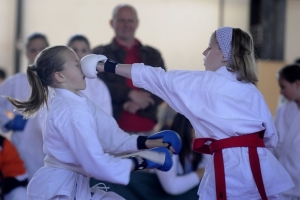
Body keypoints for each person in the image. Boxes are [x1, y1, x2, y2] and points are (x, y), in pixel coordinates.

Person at [82, 26, 294, 199]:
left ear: (223, 55)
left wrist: (105, 66)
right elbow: (270, 138)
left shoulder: (204, 84)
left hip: (232, 173)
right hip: (262, 167)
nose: (204, 53)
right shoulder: (250, 90)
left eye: (209, 48)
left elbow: (155, 77)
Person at [6, 45, 179, 199]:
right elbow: (95, 163)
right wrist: (143, 161)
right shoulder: (71, 111)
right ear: (59, 76)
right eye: (76, 63)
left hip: (72, 185)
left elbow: (110, 136)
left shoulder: (78, 101)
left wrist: (149, 142)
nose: (82, 66)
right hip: (58, 190)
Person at [93, 4, 165, 135]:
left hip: (149, 130)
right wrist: (130, 94)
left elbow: (163, 85)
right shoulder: (99, 54)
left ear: (137, 23)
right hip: (112, 131)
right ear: (112, 23)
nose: (126, 24)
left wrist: (142, 103)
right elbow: (95, 85)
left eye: (130, 20)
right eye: (121, 20)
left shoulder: (153, 55)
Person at [0, 32, 49, 180]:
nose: (38, 54)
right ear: (27, 53)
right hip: (23, 147)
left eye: (42, 49)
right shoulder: (15, 82)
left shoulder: (58, 81)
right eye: (33, 50)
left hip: (49, 148)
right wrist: (8, 121)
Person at [156, 113, 208, 196]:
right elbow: (171, 187)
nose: (205, 132)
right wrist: (200, 173)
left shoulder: (197, 150)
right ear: (187, 127)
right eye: (200, 127)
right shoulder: (166, 147)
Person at [67, 34, 112, 115]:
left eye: (83, 51)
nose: (79, 54)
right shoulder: (57, 80)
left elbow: (106, 116)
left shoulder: (98, 85)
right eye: (74, 50)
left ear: (90, 54)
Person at [274, 64, 300, 200]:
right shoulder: (283, 110)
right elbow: (273, 143)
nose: (281, 92)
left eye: (283, 87)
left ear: (297, 84)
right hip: (282, 180)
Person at [0, 135, 28, 200]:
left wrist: (3, 185)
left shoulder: (2, 143)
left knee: (20, 194)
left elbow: (17, 172)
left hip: (4, 191)